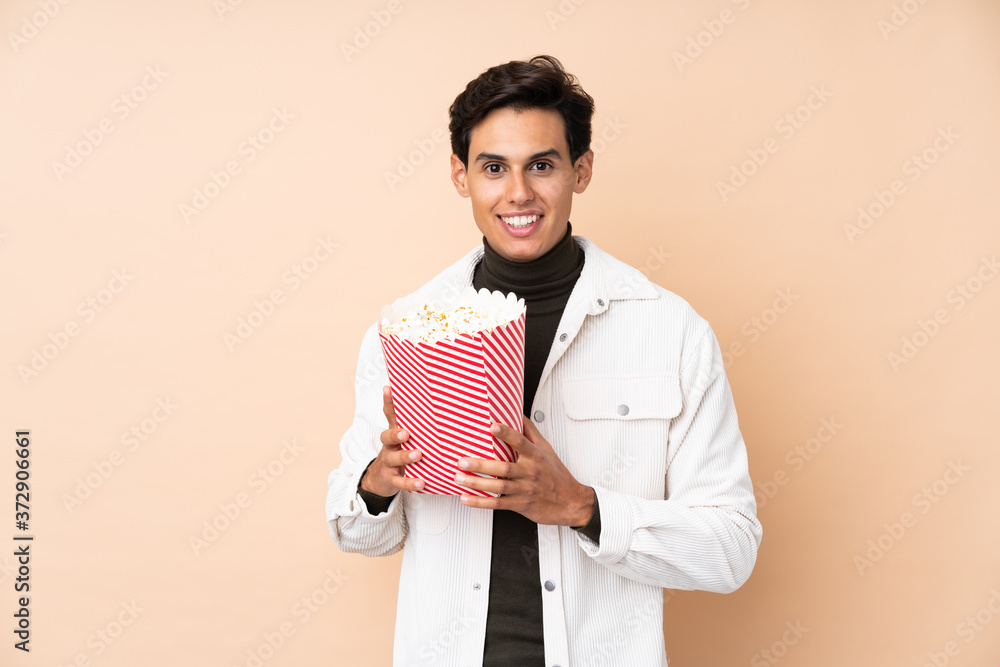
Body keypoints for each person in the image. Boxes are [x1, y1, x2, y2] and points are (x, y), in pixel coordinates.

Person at [326, 54, 762, 666]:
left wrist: (581, 507)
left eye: (542, 165)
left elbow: (730, 551)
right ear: (461, 176)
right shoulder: (404, 330)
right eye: (494, 167)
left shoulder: (670, 330)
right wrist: (376, 483)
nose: (518, 193)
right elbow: (357, 535)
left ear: (580, 170)